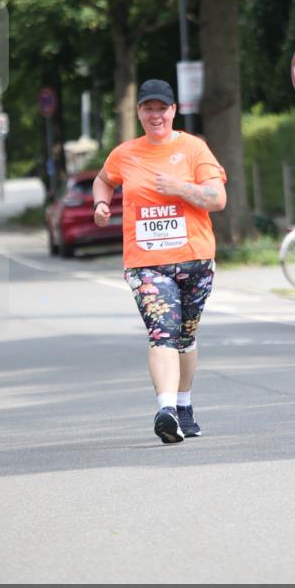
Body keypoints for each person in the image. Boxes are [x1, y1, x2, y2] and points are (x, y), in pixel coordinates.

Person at [93, 78, 227, 444]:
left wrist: (180, 188)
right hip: (146, 263)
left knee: (185, 337)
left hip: (195, 258)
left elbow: (217, 198)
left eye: (161, 108)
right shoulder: (124, 153)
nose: (155, 115)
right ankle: (166, 409)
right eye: (148, 108)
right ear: (139, 112)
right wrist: (100, 203)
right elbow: (103, 180)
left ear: (173, 110)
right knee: (162, 333)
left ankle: (184, 406)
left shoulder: (194, 149)